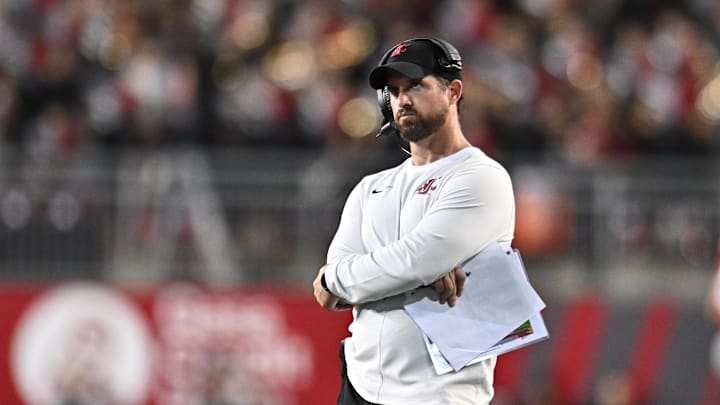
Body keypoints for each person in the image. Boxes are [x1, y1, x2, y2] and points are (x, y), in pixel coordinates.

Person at [312, 37, 516, 405]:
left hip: (439, 395)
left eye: (416, 85)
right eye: (393, 90)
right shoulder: (369, 188)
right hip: (359, 387)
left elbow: (413, 260)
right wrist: (415, 274)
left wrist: (340, 279)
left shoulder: (482, 177)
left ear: (453, 91)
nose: (402, 99)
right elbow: (334, 286)